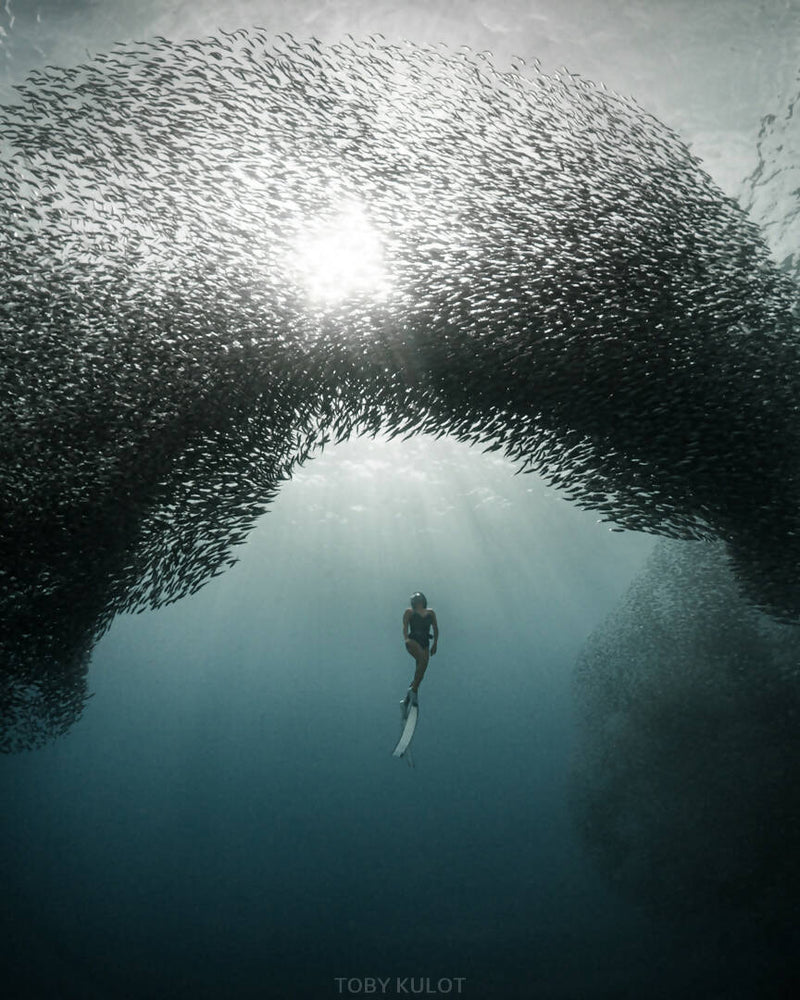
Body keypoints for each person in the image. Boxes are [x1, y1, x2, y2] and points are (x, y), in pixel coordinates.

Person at [402, 592, 438, 704]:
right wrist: (406, 639)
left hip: (425, 642)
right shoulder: (409, 612)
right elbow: (405, 626)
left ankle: (409, 697)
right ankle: (413, 691)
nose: (418, 601)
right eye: (416, 600)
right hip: (413, 640)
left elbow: (436, 628)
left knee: (421, 670)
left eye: (419, 599)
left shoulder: (431, 613)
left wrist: (435, 644)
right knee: (422, 661)